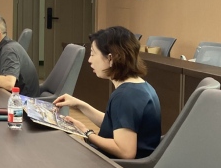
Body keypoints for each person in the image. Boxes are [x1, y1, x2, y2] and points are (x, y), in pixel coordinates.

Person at [54, 26, 161, 160]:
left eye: (93, 54)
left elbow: (125, 152)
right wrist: (79, 104)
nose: (89, 60)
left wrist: (86, 132)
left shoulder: (125, 96)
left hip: (118, 167)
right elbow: (116, 124)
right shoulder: (141, 87)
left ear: (111, 58)